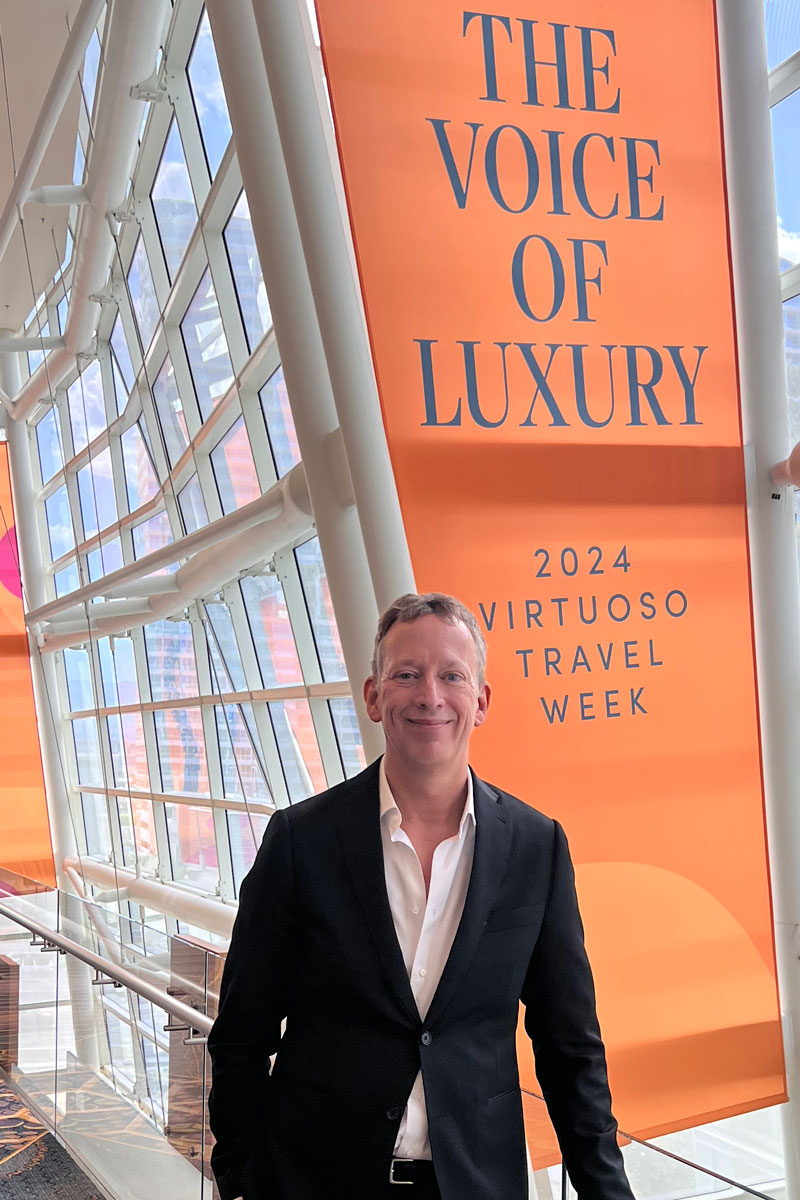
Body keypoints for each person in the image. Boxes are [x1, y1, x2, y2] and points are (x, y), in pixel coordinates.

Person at [208, 592, 635, 1200]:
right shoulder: (301, 842)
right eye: (406, 674)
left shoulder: (535, 848)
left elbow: (570, 1049)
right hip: (316, 1182)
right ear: (373, 697)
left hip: (473, 1186)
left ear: (480, 702)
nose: (430, 696)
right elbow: (242, 1032)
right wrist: (240, 1179)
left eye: (451, 676)